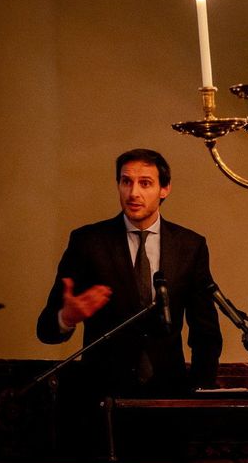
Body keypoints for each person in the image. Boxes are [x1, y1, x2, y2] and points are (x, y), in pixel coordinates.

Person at [37, 148, 222, 398]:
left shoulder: (190, 246)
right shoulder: (88, 242)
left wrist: (200, 390)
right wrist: (66, 317)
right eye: (126, 182)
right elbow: (46, 329)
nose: (133, 193)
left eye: (145, 183)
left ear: (164, 189)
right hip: (102, 397)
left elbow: (205, 332)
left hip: (169, 398)